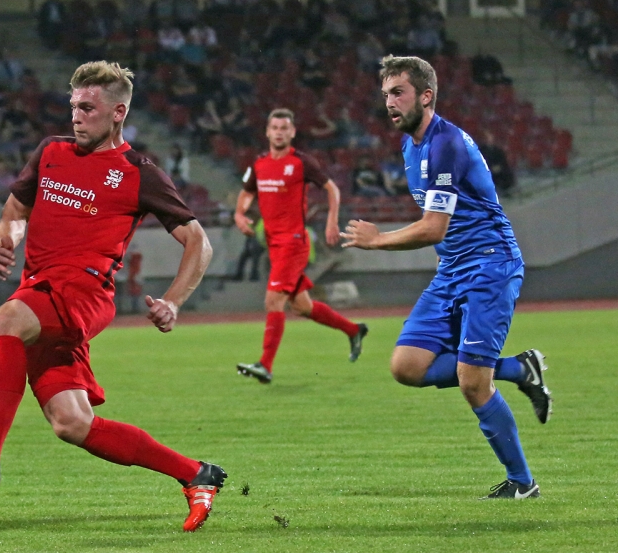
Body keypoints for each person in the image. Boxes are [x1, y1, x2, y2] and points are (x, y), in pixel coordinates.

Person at [0, 61, 227, 532]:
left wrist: (173, 300)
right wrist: (9, 237)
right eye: (73, 106)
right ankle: (196, 474)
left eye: (87, 108)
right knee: (71, 423)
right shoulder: (51, 151)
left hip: (84, 292)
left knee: (7, 320)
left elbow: (199, 242)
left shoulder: (139, 173)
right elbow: (15, 208)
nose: (75, 116)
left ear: (118, 112)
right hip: (40, 290)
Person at [341, 55, 552, 500]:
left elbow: (434, 227)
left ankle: (522, 483)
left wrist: (377, 240)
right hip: (453, 269)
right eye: (385, 95)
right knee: (406, 367)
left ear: (426, 96)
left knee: (473, 383)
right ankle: (518, 368)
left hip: (490, 266)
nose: (390, 103)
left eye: (398, 93)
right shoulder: (410, 146)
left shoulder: (446, 144)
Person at [234, 109, 368, 384]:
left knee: (273, 300)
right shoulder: (259, 163)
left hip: (293, 242)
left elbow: (332, 189)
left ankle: (265, 365)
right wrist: (239, 213)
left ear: (292, 132)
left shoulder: (302, 162)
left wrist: (331, 221)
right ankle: (354, 330)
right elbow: (247, 192)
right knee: (302, 306)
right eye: (275, 128)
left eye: (284, 128)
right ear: (268, 132)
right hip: (274, 245)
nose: (279, 132)